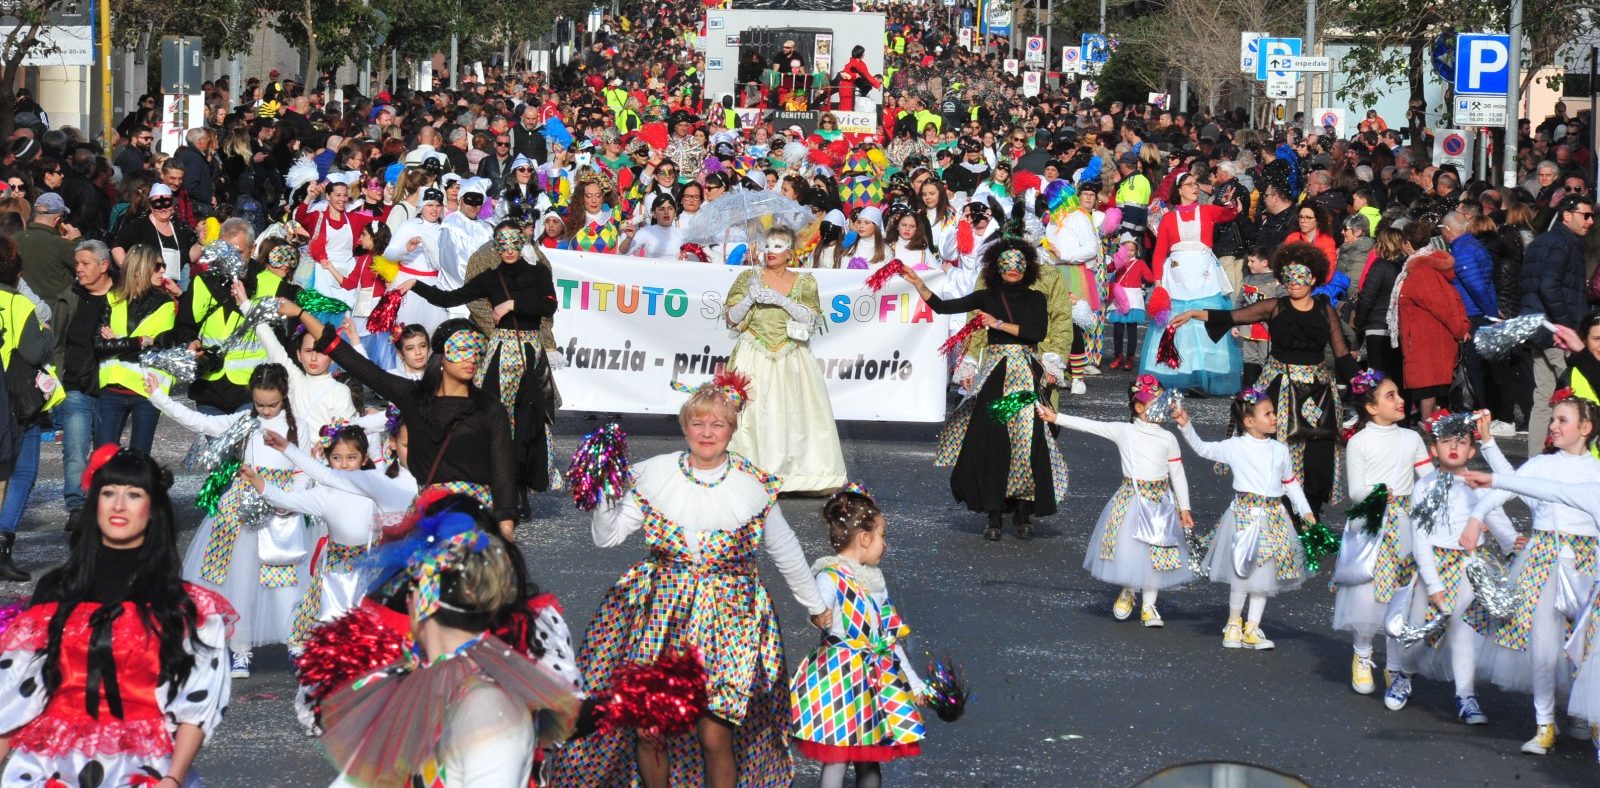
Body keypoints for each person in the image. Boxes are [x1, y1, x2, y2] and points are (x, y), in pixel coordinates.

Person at [549, 375, 829, 788]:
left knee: (715, 733)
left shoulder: (754, 485)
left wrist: (817, 608)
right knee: (650, 729)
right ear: (685, 427)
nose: (707, 433)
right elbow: (606, 537)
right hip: (664, 613)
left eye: (717, 425)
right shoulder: (653, 475)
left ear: (732, 430)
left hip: (731, 617)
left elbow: (785, 551)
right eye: (698, 424)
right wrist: (604, 492)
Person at [0, 446, 235, 787]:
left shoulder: (180, 604)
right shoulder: (57, 591)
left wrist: (173, 778)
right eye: (108, 493)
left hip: (143, 769)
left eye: (133, 494)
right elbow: (15, 697)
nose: (119, 505)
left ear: (152, 509)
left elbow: (198, 704)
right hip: (49, 767)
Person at [318, 497, 580, 786]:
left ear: (423, 601)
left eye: (411, 587)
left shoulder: (486, 706)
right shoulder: (422, 682)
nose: (404, 597)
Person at [1168, 243, 1356, 515]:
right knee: (1277, 450)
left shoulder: (1325, 311)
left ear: (1313, 278)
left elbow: (1342, 355)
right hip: (1278, 389)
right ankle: (1280, 512)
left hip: (1318, 394)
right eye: (1288, 276)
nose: (1294, 283)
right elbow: (1233, 317)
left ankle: (1311, 515)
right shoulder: (1275, 307)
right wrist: (1195, 314)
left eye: (1301, 276)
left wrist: (1367, 387)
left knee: (1319, 454)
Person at [289, 310, 518, 535]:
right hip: (432, 517)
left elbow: (504, 470)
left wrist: (506, 526)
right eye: (461, 350)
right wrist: (300, 314)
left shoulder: (491, 409)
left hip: (476, 520)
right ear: (441, 356)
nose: (471, 358)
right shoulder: (415, 398)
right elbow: (360, 366)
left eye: (477, 351)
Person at [897, 240, 1067, 541]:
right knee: (993, 441)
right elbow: (943, 306)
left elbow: (1036, 333)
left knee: (1026, 439)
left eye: (1018, 263)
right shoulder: (986, 296)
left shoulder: (1036, 299)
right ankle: (994, 514)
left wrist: (998, 323)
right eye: (1006, 262)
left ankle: (1023, 511)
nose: (1012, 268)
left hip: (1024, 375)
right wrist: (918, 282)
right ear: (996, 266)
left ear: (1026, 266)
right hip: (995, 375)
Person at [145, 365, 307, 677]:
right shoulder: (244, 422)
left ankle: (296, 644)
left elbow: (302, 469)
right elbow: (199, 421)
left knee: (286, 577)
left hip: (281, 508)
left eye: (272, 404)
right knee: (240, 578)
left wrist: (290, 501)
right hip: (241, 508)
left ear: (284, 396)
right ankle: (241, 650)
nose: (265, 410)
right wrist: (159, 397)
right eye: (260, 403)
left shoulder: (297, 425)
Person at [1469, 392, 1600, 755]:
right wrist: (1478, 515)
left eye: (1562, 420)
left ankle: (1582, 712)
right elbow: (1513, 484)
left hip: (1587, 562)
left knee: (1586, 646)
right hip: (1544, 559)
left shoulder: (1596, 473)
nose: (1553, 426)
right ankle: (1545, 724)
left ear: (1586, 429)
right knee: (1543, 645)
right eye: (1553, 418)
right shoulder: (1543, 465)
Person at [396, 222, 561, 508]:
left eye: (513, 243)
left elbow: (548, 305)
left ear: (521, 243)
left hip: (530, 354)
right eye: (503, 243)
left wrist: (512, 305)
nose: (508, 249)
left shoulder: (537, 272)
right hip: (500, 353)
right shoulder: (490, 277)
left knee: (529, 419)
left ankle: (522, 490)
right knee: (497, 419)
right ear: (495, 246)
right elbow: (450, 297)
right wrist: (416, 285)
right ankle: (501, 487)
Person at [1387, 411, 1519, 723]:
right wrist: (1433, 585)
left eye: (1461, 440)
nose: (1454, 446)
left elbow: (1501, 503)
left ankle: (1466, 695)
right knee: (1420, 632)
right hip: (1432, 566)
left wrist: (1512, 543)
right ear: (1434, 449)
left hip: (1468, 570)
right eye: (1446, 441)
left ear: (1471, 450)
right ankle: (1404, 675)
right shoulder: (1425, 487)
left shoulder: (1478, 484)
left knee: (1464, 635)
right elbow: (1420, 540)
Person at [789, 486, 926, 787]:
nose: (884, 543)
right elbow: (818, 603)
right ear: (864, 539)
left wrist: (913, 683)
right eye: (882, 535)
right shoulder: (830, 574)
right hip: (839, 679)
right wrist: (817, 616)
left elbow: (888, 639)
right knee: (837, 758)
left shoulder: (875, 582)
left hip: (873, 681)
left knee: (870, 759)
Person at [1037, 374, 1192, 627]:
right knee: (1131, 550)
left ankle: (1149, 607)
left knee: (1157, 552)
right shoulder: (1125, 431)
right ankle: (1128, 590)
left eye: (1164, 401)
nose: (1163, 407)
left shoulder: (1169, 438)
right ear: (1139, 407)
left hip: (1160, 502)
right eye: (1156, 402)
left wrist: (1184, 507)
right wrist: (1056, 417)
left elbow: (1177, 473)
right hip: (1131, 499)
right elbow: (1090, 425)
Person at [1175, 386, 1317, 651]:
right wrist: (1186, 426)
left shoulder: (1280, 450)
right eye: (1268, 413)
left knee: (1265, 574)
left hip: (1274, 516)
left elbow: (1290, 482)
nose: (1274, 417)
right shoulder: (1235, 446)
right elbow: (1204, 449)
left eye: (1274, 412)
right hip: (1244, 516)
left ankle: (1252, 627)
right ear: (1249, 422)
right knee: (1243, 571)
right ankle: (1233, 623)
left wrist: (1305, 510)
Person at [722, 228, 848, 493]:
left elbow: (811, 320)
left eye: (778, 246)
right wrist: (749, 299)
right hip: (753, 353)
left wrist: (781, 300)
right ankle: (750, 473)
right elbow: (731, 319)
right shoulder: (749, 278)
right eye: (768, 246)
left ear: (790, 253)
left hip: (791, 355)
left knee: (794, 412)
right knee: (753, 415)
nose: (771, 251)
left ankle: (797, 476)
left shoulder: (804, 283)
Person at [1330, 370, 1432, 697]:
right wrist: (1378, 492)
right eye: (1391, 396)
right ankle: (1362, 654)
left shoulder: (1412, 438)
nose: (1401, 400)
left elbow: (1427, 479)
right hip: (1372, 523)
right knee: (1369, 595)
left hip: (1404, 523)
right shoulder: (1359, 442)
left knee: (1400, 595)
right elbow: (1356, 491)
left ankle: (1394, 663)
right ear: (1371, 407)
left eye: (1399, 395)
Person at [245, 425, 377, 649]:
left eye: (351, 458)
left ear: (364, 459)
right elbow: (285, 500)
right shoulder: (325, 495)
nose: (344, 465)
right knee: (331, 625)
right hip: (334, 573)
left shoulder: (376, 489)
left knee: (366, 632)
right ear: (328, 460)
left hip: (370, 572)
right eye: (337, 458)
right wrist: (257, 481)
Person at [1141, 172, 1242, 396]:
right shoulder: (1168, 218)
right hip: (1177, 276)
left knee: (1205, 321)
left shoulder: (1207, 211)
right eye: (1189, 184)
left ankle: (1204, 373)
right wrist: (1158, 284)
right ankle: (1180, 373)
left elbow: (1229, 213)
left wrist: (1228, 201)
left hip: (1204, 276)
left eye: (1196, 183)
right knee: (1178, 324)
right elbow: (1158, 254)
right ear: (1180, 190)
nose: (1195, 187)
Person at [1522, 195, 1594, 450]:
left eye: (1592, 216)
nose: (1590, 221)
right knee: (1579, 393)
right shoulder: (1564, 244)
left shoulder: (1543, 242)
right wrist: (1568, 327)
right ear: (1567, 215)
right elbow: (1547, 285)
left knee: (1543, 397)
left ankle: (1535, 462)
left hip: (1539, 329)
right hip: (1557, 332)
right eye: (1585, 215)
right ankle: (1573, 459)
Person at [94, 244, 179, 453]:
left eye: (163, 266)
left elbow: (158, 348)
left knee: (139, 459)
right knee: (103, 459)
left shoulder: (165, 304)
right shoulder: (112, 298)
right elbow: (99, 346)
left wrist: (118, 341)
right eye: (157, 266)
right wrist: (138, 341)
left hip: (147, 390)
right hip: (112, 390)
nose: (163, 271)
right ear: (141, 269)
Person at [55, 240, 116, 520]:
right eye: (77, 263)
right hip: (75, 387)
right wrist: (58, 376)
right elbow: (57, 342)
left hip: (110, 388)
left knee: (106, 453)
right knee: (76, 450)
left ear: (104, 266)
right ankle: (77, 507)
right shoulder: (70, 297)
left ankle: (103, 504)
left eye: (85, 263)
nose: (78, 269)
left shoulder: (120, 297)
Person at [1396, 221, 1470, 422]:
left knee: (1427, 389)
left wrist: (1460, 330)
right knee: (1430, 389)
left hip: (1426, 340)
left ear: (1407, 244)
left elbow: (1443, 307)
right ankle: (1433, 427)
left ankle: (1428, 431)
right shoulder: (1422, 268)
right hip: (1429, 338)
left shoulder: (1421, 273)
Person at [112, 184, 200, 288]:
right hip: (146, 288)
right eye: (157, 204)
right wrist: (130, 271)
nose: (163, 208)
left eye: (167, 203)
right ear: (151, 206)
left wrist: (201, 243)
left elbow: (189, 257)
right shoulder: (140, 225)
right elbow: (117, 246)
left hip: (173, 288)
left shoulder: (178, 227)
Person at [14, 192, 78, 303]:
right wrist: (77, 240)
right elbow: (88, 264)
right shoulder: (61, 244)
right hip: (53, 312)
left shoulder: (14, 239)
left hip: (20, 308)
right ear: (58, 220)